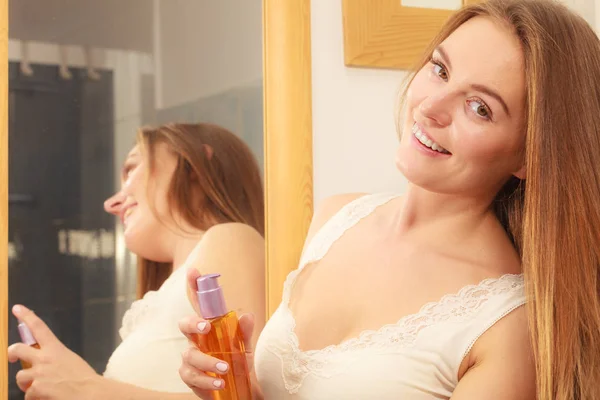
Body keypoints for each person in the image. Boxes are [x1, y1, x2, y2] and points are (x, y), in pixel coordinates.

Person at [177, 1, 600, 399]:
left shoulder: (509, 327)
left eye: (479, 107)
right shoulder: (335, 217)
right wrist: (231, 383)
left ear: (529, 155)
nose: (431, 106)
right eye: (439, 69)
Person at [7, 123, 266, 399]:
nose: (111, 204)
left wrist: (86, 388)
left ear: (193, 166)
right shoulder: (171, 293)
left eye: (131, 169)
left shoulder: (230, 238)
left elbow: (250, 395)